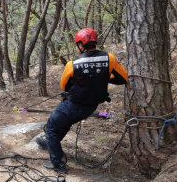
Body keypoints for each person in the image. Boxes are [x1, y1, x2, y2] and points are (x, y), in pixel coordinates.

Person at [35, 28, 128, 173]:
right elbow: (123, 78)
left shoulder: (73, 64)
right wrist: (103, 78)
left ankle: (58, 163)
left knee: (52, 127)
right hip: (90, 107)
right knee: (64, 124)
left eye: (76, 45)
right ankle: (52, 144)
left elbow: (64, 86)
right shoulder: (109, 58)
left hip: (73, 105)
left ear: (81, 45)